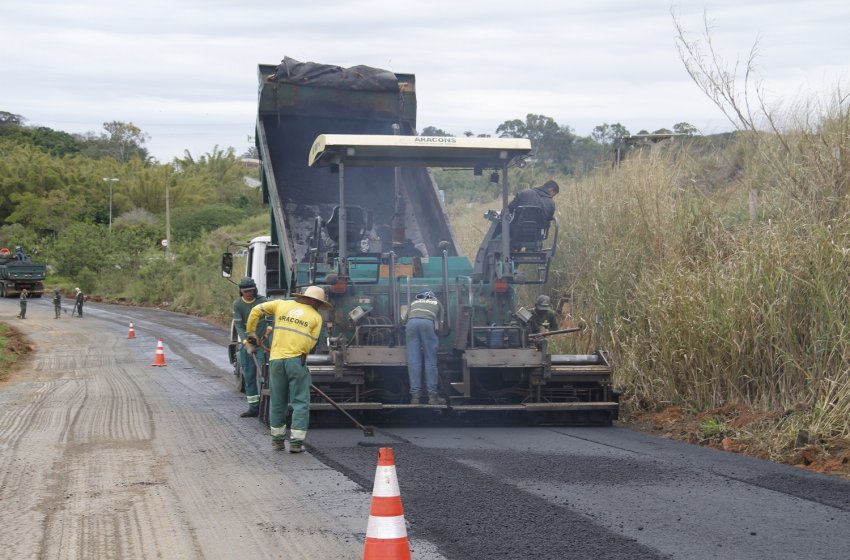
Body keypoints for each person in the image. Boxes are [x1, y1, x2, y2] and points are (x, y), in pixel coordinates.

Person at [245, 286, 331, 453]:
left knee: (278, 400)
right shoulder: (315, 317)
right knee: (300, 402)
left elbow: (256, 310)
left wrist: (251, 333)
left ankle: (277, 441)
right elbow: (311, 344)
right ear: (316, 302)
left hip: (276, 361)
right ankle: (296, 443)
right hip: (296, 361)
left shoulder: (281, 305)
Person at [231, 277, 268, 418]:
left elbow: (271, 320)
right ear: (241, 291)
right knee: (249, 375)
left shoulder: (263, 302)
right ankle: (253, 408)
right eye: (245, 291)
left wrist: (264, 338)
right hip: (248, 345)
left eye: (251, 290)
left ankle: (265, 406)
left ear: (255, 290)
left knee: (263, 376)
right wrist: (246, 342)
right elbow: (239, 326)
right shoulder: (238, 305)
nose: (248, 293)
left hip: (262, 345)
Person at [405, 290, 444, 405]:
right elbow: (440, 324)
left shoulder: (414, 302)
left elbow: (405, 319)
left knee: (413, 360)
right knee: (430, 360)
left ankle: (415, 397)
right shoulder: (437, 303)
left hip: (411, 324)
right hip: (427, 323)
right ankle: (432, 397)